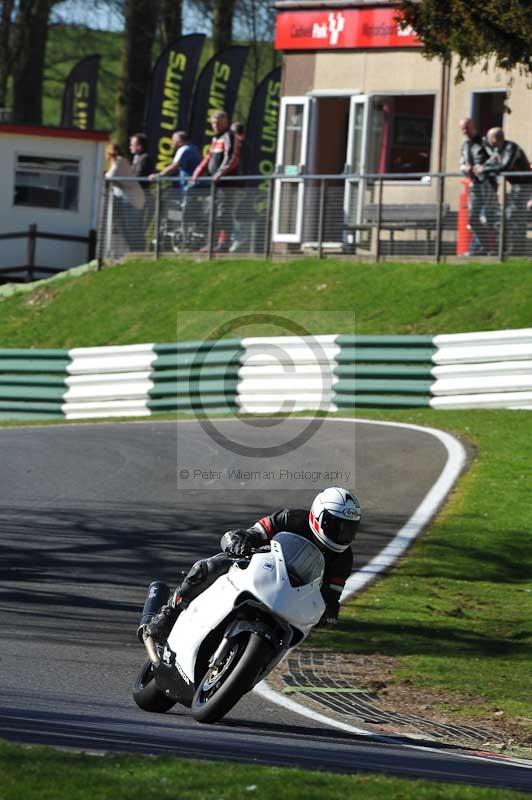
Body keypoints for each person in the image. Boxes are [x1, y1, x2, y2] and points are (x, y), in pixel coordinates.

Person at [140, 487, 362, 643]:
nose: (343, 534)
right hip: (260, 568)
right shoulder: (290, 519)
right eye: (337, 526)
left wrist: (330, 613)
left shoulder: (344, 558)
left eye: (349, 529)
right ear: (318, 517)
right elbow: (253, 532)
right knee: (209, 566)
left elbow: (332, 596)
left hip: (292, 597)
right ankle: (169, 613)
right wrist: (239, 541)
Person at [474, 128, 531, 255]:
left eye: (489, 138)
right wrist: (481, 168)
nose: (487, 141)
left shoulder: (511, 148)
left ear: (494, 139)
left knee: (512, 215)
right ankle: (516, 249)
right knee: (512, 217)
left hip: (526, 186)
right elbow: (490, 164)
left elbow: (506, 166)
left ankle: (516, 250)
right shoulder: (498, 151)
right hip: (517, 187)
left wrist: (483, 169)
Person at [191, 109, 240, 251]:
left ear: (225, 122)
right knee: (211, 211)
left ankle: (223, 243)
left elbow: (232, 158)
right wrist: (198, 171)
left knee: (223, 212)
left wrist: (220, 173)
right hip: (214, 183)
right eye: (213, 123)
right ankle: (212, 242)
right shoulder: (215, 138)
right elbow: (209, 157)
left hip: (226, 182)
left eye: (218, 123)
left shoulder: (229, 136)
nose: (215, 126)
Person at [459, 117, 498, 256]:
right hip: (474, 184)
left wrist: (483, 167)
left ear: (473, 126)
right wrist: (465, 168)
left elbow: (495, 157)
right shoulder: (464, 145)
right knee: (473, 219)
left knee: (487, 217)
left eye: (466, 128)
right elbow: (461, 163)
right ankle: (486, 247)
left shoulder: (483, 142)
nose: (464, 131)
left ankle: (489, 248)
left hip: (487, 183)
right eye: (462, 129)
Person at [105, 142, 145, 251]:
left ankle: (140, 251)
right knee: (125, 228)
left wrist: (102, 175)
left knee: (132, 227)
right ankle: (134, 251)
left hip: (132, 200)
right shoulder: (117, 162)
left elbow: (111, 175)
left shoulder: (120, 161)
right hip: (126, 199)